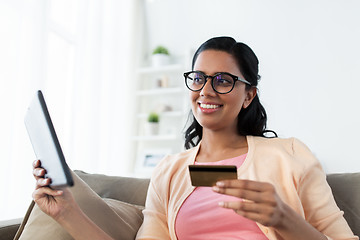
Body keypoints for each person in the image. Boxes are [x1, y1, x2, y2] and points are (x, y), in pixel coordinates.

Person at [32, 36, 358, 240]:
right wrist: (68, 214)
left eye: (223, 80)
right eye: (199, 78)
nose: (206, 90)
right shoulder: (170, 171)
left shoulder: (289, 155)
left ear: (248, 95)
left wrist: (284, 219)